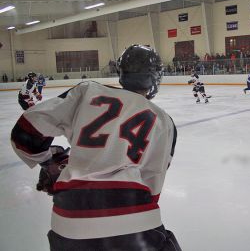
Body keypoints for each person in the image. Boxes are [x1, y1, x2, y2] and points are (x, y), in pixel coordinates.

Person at [10, 45, 181, 251]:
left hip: (68, 221)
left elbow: (26, 132)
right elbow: (152, 186)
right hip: (135, 222)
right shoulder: (164, 121)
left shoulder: (87, 91)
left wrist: (49, 163)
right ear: (153, 77)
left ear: (122, 72)